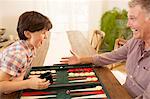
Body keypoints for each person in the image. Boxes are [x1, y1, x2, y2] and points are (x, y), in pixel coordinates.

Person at [60, 0, 150, 98]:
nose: (128, 24)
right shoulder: (135, 42)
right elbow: (112, 56)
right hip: (122, 92)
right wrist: (82, 59)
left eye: (133, 18)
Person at [0, 11, 52, 94]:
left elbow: (20, 71)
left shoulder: (30, 47)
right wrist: (27, 84)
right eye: (43, 33)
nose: (46, 37)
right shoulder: (18, 55)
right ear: (28, 34)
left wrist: (26, 80)